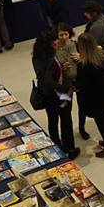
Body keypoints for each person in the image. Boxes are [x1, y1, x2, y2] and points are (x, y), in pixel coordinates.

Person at [33, 28, 80, 160]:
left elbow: (44, 77)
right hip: (59, 94)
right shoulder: (50, 59)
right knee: (66, 119)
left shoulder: (37, 57)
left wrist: (60, 69)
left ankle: (57, 145)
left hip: (46, 95)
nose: (57, 42)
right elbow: (49, 81)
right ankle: (70, 147)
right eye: (54, 40)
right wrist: (65, 88)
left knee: (52, 121)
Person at [75, 33, 104, 158]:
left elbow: (82, 84)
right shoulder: (103, 55)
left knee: (100, 120)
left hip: (93, 98)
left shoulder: (84, 64)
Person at [55, 23, 84, 138]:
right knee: (65, 110)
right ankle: (67, 135)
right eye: (61, 35)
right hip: (65, 85)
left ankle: (82, 128)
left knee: (82, 106)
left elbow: (87, 58)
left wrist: (81, 57)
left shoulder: (76, 45)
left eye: (66, 34)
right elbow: (54, 68)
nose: (64, 37)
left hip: (79, 81)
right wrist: (62, 68)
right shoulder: (55, 49)